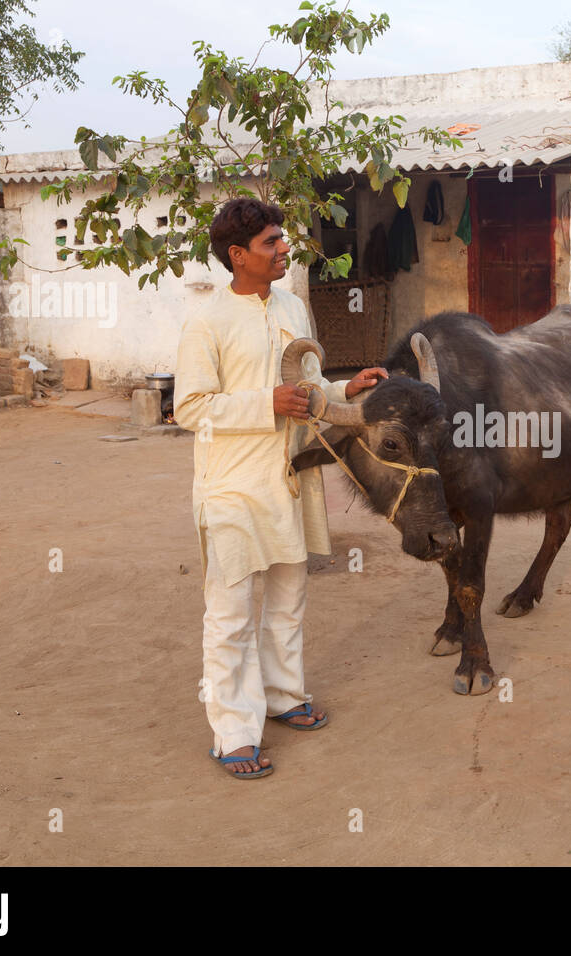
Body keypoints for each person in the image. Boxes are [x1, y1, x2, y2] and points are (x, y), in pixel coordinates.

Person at [174, 197, 387, 778]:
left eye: (281, 239)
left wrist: (347, 389)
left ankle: (283, 697)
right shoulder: (207, 320)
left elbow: (309, 387)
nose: (284, 250)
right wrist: (264, 403)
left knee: (290, 597)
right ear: (238, 255)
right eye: (271, 243)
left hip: (293, 475)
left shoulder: (293, 304)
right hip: (233, 483)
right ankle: (233, 732)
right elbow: (190, 408)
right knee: (232, 613)